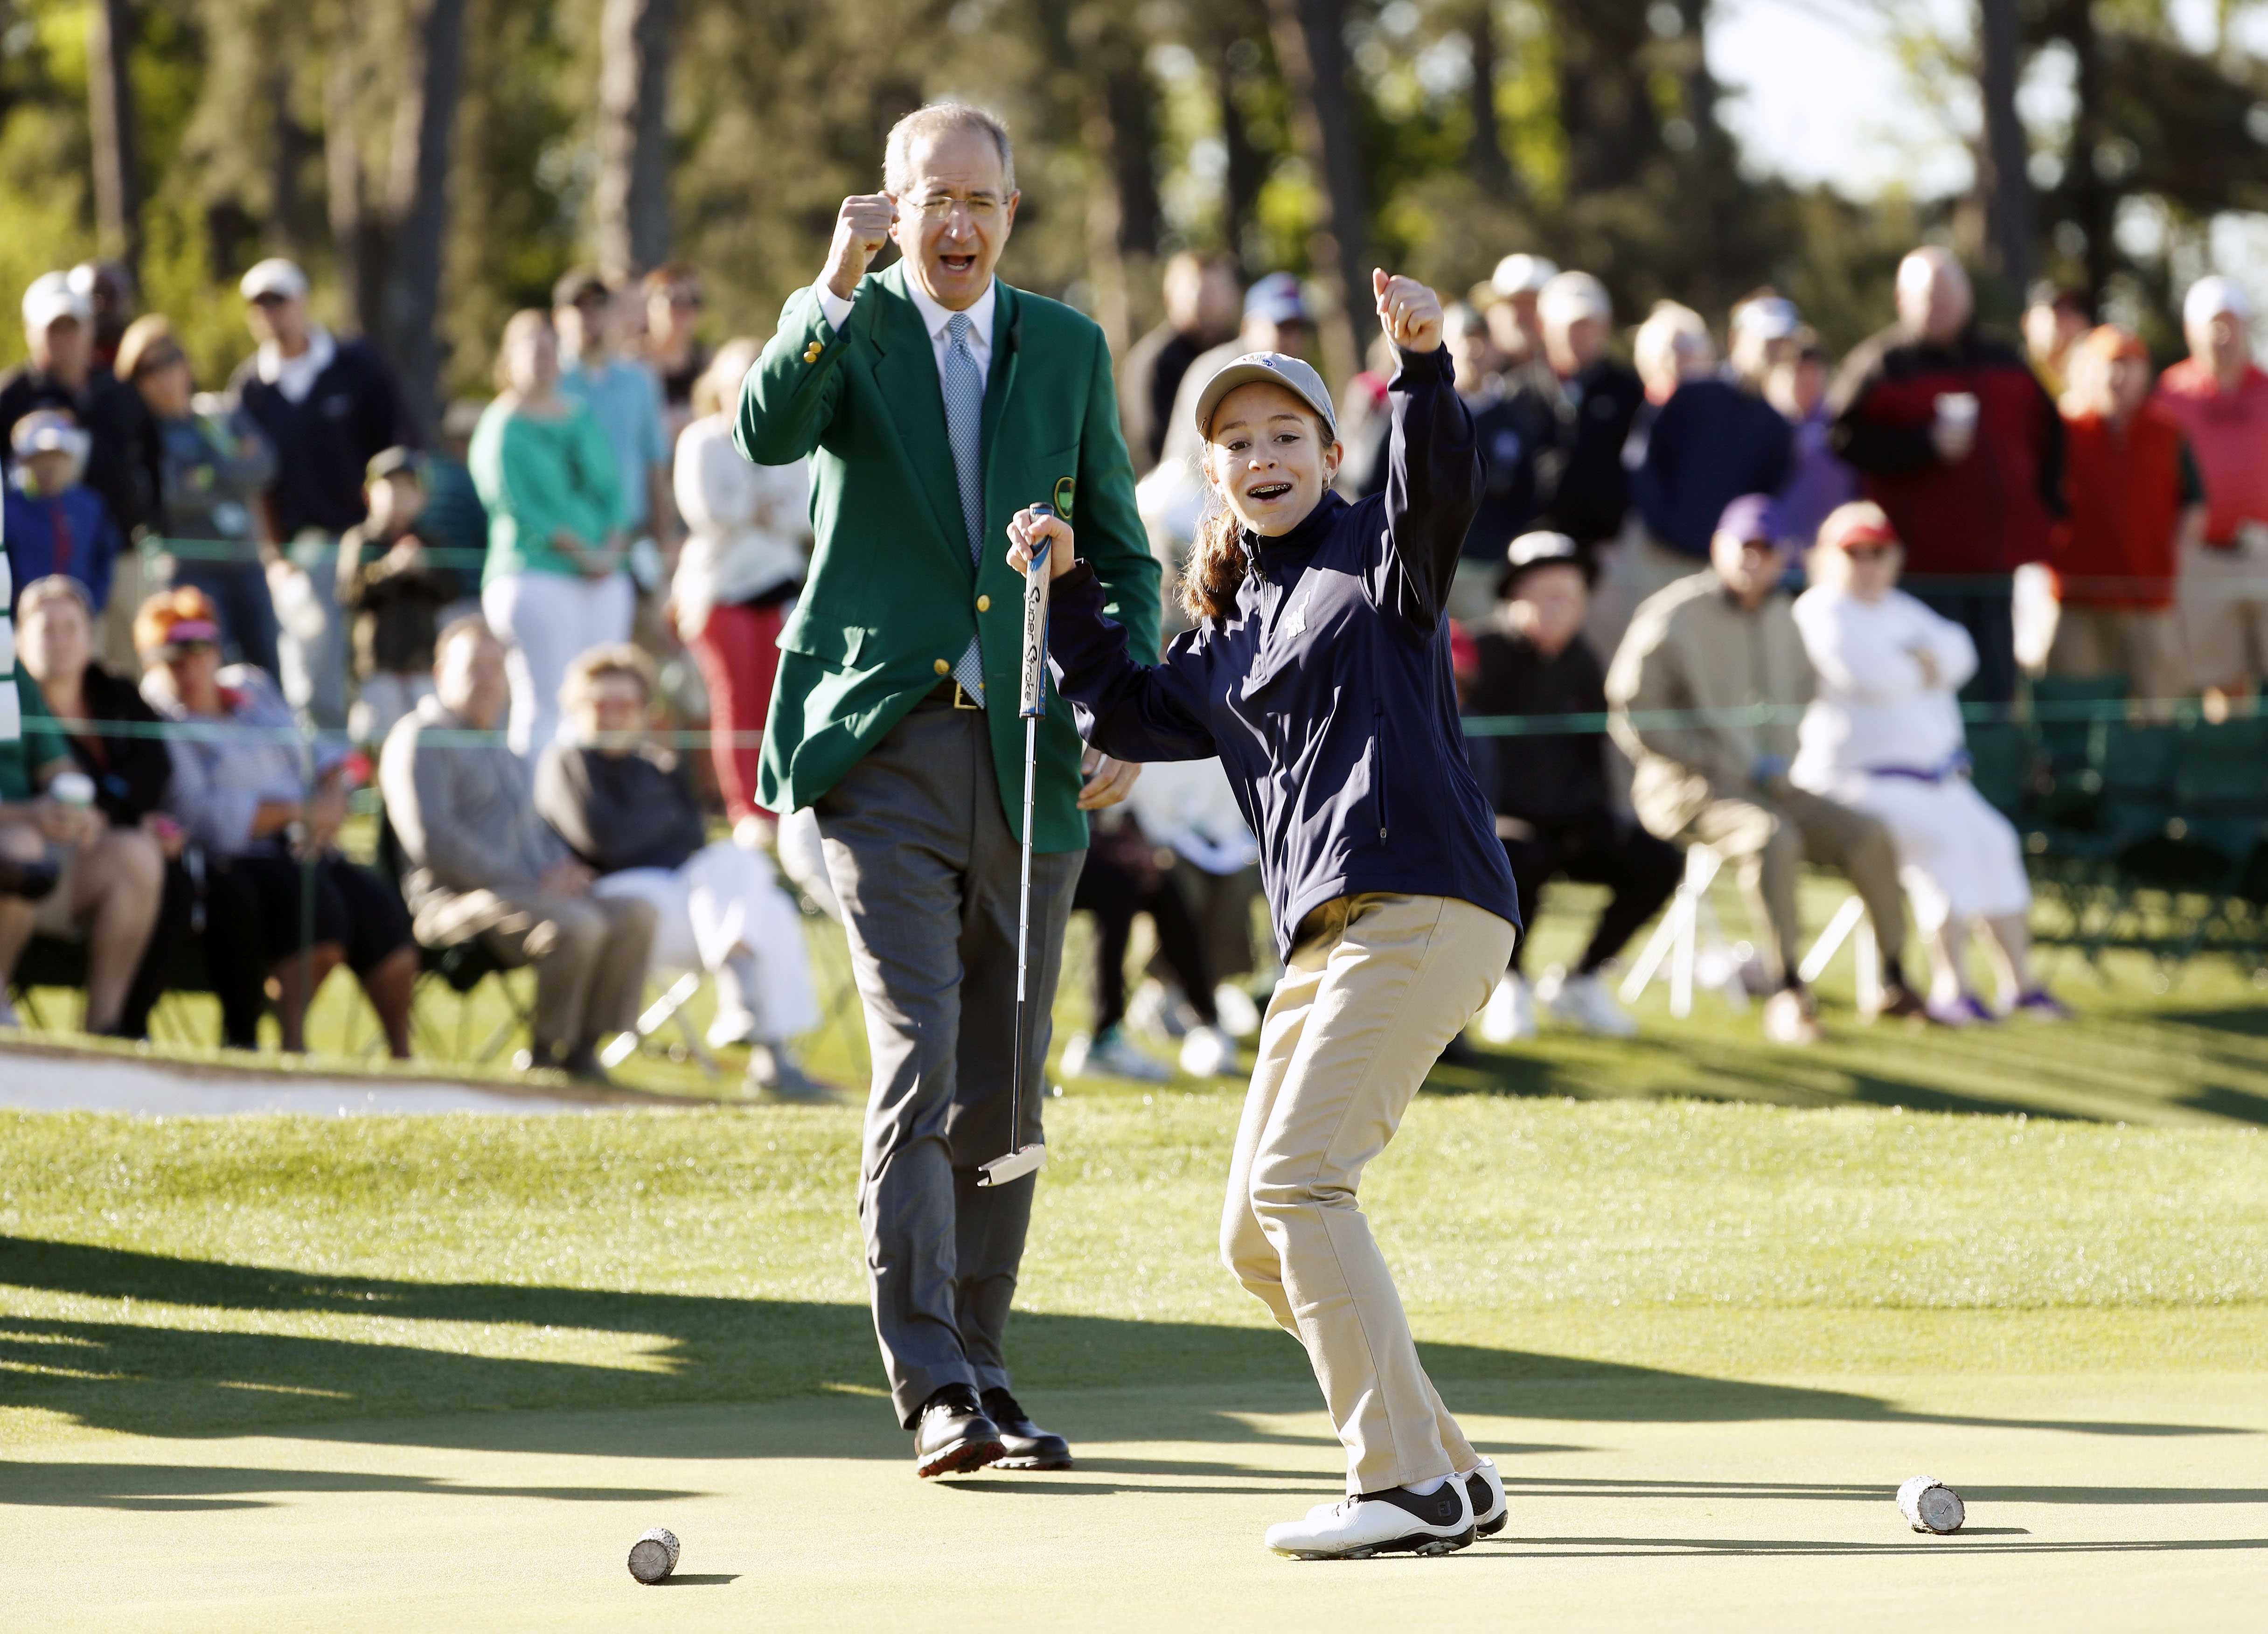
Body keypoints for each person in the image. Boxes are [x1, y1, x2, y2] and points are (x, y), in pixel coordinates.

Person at [1023, 271, 1520, 1559]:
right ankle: (1447, 1472)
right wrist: (1073, 585)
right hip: (1324, 934)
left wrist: (1422, 371)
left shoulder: (1380, 552)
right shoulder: (1230, 621)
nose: (1262, 456)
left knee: (1303, 1184)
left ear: (1327, 451)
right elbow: (1131, 710)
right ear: (1211, 472)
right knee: (1254, 1230)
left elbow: (1438, 492)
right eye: (1237, 443)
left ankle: (1394, 1481)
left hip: (1420, 898)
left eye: (1285, 435)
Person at [736, 101, 1161, 1481]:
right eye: (935, 200)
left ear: (1012, 213)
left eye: (982, 201)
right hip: (886, 749)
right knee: (922, 1061)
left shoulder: (1072, 349)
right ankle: (926, 1383)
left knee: (1012, 1094)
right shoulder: (848, 326)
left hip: (1029, 759)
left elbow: (1121, 553)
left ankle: (984, 1364)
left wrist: (1124, 707)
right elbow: (765, 429)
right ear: (893, 208)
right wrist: (827, 283)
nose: (960, 223)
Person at [1607, 494, 1925, 1045]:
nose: (1754, 560)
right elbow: (1632, 708)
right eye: (1744, 547)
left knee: (1869, 833)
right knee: (1772, 838)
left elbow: (1802, 690)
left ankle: (1895, 980)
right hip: (1685, 787)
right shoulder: (1674, 613)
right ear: (1718, 548)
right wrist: (1705, 756)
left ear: (1784, 557)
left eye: (1766, 549)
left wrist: (1779, 749)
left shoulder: (1783, 615)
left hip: (1766, 781)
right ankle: (1787, 990)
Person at [1791, 503, 2067, 1025]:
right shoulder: (1820, 609)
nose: (1868, 563)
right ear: (1828, 556)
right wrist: (1921, 665)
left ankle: (2019, 985)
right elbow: (1871, 676)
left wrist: (1922, 664)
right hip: (1852, 783)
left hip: (1937, 780)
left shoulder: (1900, 610)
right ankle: (1951, 987)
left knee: (1995, 838)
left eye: (1878, 551)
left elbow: (1961, 651)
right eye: (1854, 552)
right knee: (1946, 841)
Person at [536, 644, 825, 1097]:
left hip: (691, 899)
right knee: (763, 905)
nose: (612, 716)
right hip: (623, 904)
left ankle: (755, 1022)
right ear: (576, 709)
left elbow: (691, 837)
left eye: (625, 705)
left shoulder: (656, 766)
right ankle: (771, 1053)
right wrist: (664, 824)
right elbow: (604, 839)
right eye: (599, 704)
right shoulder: (567, 762)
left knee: (745, 871)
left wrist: (657, 827)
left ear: (644, 712)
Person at [138, 587, 415, 1056]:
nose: (188, 666)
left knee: (382, 913)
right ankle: (292, 1041)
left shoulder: (251, 687)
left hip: (311, 843)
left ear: (216, 648)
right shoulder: (160, 721)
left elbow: (318, 752)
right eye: (171, 657)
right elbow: (206, 816)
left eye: (198, 650)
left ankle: (402, 1054)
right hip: (241, 859)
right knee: (319, 910)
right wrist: (295, 811)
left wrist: (329, 797)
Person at [381, 619, 658, 1079]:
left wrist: (564, 868)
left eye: (496, 668)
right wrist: (527, 880)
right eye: (474, 667)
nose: (488, 680)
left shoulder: (504, 747)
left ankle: (584, 1051)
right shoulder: (421, 737)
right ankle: (546, 1055)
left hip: (531, 894)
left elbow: (536, 830)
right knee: (581, 925)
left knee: (636, 913)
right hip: (454, 903)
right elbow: (432, 839)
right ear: (440, 672)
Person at [14, 575, 267, 1045]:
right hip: (36, 852)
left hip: (111, 846)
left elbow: (152, 766)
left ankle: (122, 1029)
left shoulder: (116, 693)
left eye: (71, 627)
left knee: (213, 887)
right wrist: (122, 815)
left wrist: (120, 815)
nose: (61, 640)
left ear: (91, 635)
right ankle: (127, 1024)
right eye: (47, 629)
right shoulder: (16, 703)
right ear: (18, 636)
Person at [1467, 532, 1681, 1042]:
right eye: (1545, 590)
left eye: (1570, 592)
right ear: (1512, 594)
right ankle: (1509, 982)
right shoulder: (1476, 653)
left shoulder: (1584, 661)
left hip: (1573, 818)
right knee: (1521, 855)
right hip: (1495, 822)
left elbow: (1593, 753)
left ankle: (1582, 979)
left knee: (1658, 858)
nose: (1559, 603)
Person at [1829, 247, 2064, 705]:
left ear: (1966, 296)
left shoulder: (2003, 359)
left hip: (1994, 565)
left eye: (1946, 293)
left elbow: (2051, 436)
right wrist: (1920, 444)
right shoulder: (1882, 364)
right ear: (1902, 301)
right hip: (1917, 571)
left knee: (1996, 687)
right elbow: (1840, 437)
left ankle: (1995, 771)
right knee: (1928, 686)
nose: (1937, 305)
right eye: (1926, 295)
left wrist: (2046, 510)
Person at [230, 257, 415, 731]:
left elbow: (399, 447)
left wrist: (400, 529)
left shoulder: (357, 365)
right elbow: (253, 484)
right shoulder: (250, 388)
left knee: (387, 669)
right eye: (260, 306)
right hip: (305, 550)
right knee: (316, 675)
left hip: (377, 542)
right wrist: (273, 558)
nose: (271, 314)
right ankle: (330, 779)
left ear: (303, 302)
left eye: (280, 301)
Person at [0, 576, 164, 1038]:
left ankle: (105, 1027)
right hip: (17, 845)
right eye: (46, 628)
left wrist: (78, 807)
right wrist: (29, 814)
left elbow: (59, 769)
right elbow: (28, 819)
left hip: (41, 857)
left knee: (135, 853)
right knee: (22, 844)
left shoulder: (13, 682)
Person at [470, 309, 632, 757]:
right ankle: (538, 814)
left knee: (598, 698)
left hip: (603, 573)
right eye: (533, 349)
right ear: (509, 358)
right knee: (546, 701)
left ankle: (591, 805)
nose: (543, 358)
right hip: (535, 574)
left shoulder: (581, 416)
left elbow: (613, 494)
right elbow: (516, 505)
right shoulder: (500, 425)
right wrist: (583, 553)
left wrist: (612, 548)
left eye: (550, 348)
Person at [670, 338, 808, 841]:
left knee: (780, 699)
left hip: (780, 587)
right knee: (735, 702)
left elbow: (804, 512)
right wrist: (758, 506)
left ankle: (785, 803)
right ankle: (747, 810)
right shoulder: (701, 440)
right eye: (737, 380)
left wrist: (749, 508)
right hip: (720, 590)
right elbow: (708, 509)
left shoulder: (792, 440)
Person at [0, 271, 160, 667]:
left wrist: (155, 522)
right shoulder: (13, 395)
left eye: (73, 326)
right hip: (36, 567)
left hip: (122, 556)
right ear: (30, 331)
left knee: (127, 670)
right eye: (53, 328)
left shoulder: (119, 392)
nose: (65, 338)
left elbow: (154, 459)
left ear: (90, 328)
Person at [116, 314, 281, 676]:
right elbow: (168, 498)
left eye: (170, 360)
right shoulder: (144, 434)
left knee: (267, 670)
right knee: (208, 671)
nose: (163, 376)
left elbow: (265, 467)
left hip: (246, 561)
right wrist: (229, 469)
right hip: (190, 570)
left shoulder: (217, 414)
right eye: (147, 370)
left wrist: (204, 476)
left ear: (186, 364)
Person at [2048, 325, 2202, 706]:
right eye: (2109, 365)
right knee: (2076, 708)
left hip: (2148, 601)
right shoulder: (2065, 430)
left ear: (2145, 373)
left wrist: (2174, 561)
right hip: (2078, 601)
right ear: (2088, 371)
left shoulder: (2167, 432)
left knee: (2155, 707)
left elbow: (2195, 502)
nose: (2118, 376)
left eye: (2129, 365)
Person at [1628, 304, 1794, 597]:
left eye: (1781, 342)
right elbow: (1644, 463)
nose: (1773, 350)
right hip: (1658, 557)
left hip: (1720, 570)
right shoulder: (1692, 395)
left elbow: (1762, 501)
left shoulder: (1777, 426)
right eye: (1767, 341)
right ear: (1736, 339)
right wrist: (1663, 528)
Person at [2155, 276, 2268, 699]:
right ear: (2191, 333)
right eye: (2213, 324)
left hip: (2263, 552)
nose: (2223, 335)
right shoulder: (2170, 395)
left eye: (2231, 323)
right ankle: (2229, 763)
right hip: (2200, 555)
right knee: (2219, 678)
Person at [1446, 302, 1559, 623]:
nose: (1473, 349)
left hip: (1489, 572)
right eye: (1464, 338)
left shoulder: (1514, 420)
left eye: (1482, 338)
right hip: (1426, 573)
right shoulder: (1420, 412)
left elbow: (1527, 494)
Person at [337, 448, 456, 746]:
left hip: (423, 665)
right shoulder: (362, 540)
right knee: (379, 743)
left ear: (423, 498)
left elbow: (451, 589)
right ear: (369, 495)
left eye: (408, 488)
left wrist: (425, 570)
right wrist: (391, 569)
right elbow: (350, 592)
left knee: (429, 740)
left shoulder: (431, 541)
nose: (399, 496)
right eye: (390, 487)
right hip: (378, 668)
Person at [556, 268, 675, 562]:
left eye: (599, 308)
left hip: (631, 538)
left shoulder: (640, 382)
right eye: (580, 309)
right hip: (564, 543)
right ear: (559, 317)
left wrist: (660, 544)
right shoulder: (550, 385)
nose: (590, 317)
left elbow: (654, 465)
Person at [1158, 273, 1316, 481]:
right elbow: (1201, 457)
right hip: (1190, 491)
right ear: (1248, 326)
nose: (1292, 338)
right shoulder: (1217, 371)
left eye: (1298, 329)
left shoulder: (1302, 377)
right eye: (1282, 327)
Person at [1120, 251, 1240, 475]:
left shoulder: (1235, 355)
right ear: (1170, 298)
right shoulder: (1156, 361)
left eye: (1222, 290)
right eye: (1203, 293)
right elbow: (1146, 449)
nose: (1214, 302)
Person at [6, 410, 122, 618]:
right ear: (26, 461)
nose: (51, 464)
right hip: (26, 619)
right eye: (42, 457)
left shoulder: (90, 505)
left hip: (81, 618)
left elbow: (104, 559)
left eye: (58, 456)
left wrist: (92, 605)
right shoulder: (10, 510)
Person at [1767, 326, 1858, 554]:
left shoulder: (1843, 423)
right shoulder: (1766, 425)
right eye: (1796, 370)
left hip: (1831, 553)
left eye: (1812, 370)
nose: (1805, 379)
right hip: (1775, 557)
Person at [640, 264, 711, 437]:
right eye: (675, 300)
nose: (685, 310)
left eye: (693, 301)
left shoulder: (709, 367)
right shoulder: (630, 366)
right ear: (649, 306)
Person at [2023, 283, 2092, 400]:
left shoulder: (2094, 378)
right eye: (2054, 311)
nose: (2060, 321)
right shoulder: (2013, 373)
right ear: (2028, 322)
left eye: (2070, 311)